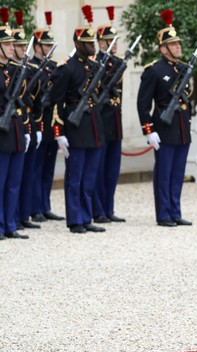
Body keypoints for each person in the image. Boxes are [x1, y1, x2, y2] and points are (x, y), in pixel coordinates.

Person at [51, 5, 106, 234]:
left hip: (92, 124)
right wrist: (59, 132)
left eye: (93, 42)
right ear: (77, 44)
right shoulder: (67, 68)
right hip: (74, 126)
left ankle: (86, 215)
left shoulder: (93, 67)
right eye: (88, 43)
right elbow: (55, 101)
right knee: (76, 176)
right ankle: (75, 219)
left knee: (90, 176)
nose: (92, 46)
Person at [137, 9, 193, 227]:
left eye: (178, 43)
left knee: (178, 173)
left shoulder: (183, 68)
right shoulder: (154, 70)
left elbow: (187, 97)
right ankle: (163, 214)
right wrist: (149, 130)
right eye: (173, 44)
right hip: (164, 126)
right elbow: (143, 103)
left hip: (181, 126)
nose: (178, 46)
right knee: (164, 173)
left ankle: (175, 211)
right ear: (163, 48)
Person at [30, 11, 64, 224]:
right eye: (46, 45)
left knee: (49, 166)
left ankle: (45, 204)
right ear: (37, 47)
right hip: (37, 122)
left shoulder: (53, 67)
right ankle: (35, 206)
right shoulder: (32, 67)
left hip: (52, 122)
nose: (50, 48)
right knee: (36, 166)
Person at [93, 6, 126, 223]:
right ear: (101, 43)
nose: (114, 44)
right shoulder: (95, 63)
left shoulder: (117, 63)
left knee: (112, 169)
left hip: (115, 120)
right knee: (99, 168)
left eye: (115, 40)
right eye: (110, 40)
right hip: (101, 121)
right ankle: (98, 210)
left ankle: (109, 207)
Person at [0, 8, 29, 240]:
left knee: (13, 182)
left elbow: (23, 101)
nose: (12, 48)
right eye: (8, 45)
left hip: (16, 130)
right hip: (1, 132)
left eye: (12, 45)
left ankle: (10, 224)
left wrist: (26, 130)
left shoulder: (15, 69)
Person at [13, 10, 40, 231]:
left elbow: (36, 101)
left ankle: (21, 215)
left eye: (23, 46)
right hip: (10, 125)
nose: (22, 50)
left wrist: (36, 126)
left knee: (24, 175)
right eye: (18, 46)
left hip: (25, 123)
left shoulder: (28, 70)